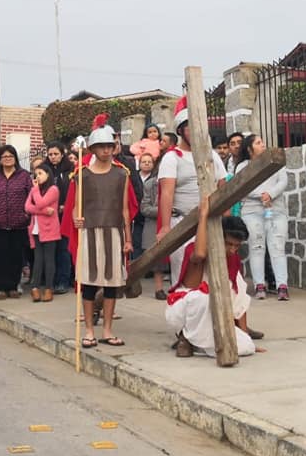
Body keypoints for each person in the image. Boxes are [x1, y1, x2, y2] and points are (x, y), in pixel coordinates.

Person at [167, 193, 259, 358]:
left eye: (237, 246)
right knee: (202, 298)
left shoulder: (233, 259)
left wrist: (245, 335)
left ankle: (198, 344)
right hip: (186, 310)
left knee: (247, 347)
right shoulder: (193, 250)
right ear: (217, 237)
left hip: (215, 320)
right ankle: (185, 338)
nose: (233, 250)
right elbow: (200, 255)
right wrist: (203, 217)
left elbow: (239, 298)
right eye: (229, 244)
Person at [71, 116, 132, 348]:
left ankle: (107, 329)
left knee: (111, 283)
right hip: (89, 232)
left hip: (114, 232)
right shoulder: (81, 174)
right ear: (93, 148)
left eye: (109, 146)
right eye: (101, 146)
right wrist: (76, 218)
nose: (106, 150)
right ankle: (89, 330)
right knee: (88, 282)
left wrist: (128, 238)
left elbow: (125, 209)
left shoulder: (122, 173)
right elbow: (76, 205)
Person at [157, 96, 228, 284]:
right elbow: (167, 193)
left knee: (213, 276)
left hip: (211, 221)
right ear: (181, 131)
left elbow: (223, 187)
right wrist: (165, 227)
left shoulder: (212, 155)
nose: (195, 132)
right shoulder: (172, 158)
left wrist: (227, 221)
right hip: (182, 222)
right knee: (183, 274)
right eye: (190, 128)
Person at [235, 134, 290, 300]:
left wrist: (271, 194)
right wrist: (262, 196)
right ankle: (259, 285)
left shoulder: (274, 161)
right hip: (252, 211)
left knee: (277, 247)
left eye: (262, 142)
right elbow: (242, 185)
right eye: (258, 143)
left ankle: (282, 286)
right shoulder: (242, 166)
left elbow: (283, 181)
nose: (263, 145)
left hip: (275, 209)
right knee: (257, 247)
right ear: (249, 149)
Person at [0, 144, 33, 300]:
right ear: (0, 160)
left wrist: (26, 214)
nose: (8, 159)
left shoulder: (24, 176)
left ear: (15, 158)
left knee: (16, 257)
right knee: (0, 257)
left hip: (19, 224)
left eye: (11, 156)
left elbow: (32, 196)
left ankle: (13, 286)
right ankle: (1, 288)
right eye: (4, 157)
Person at [24, 164, 61, 302]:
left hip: (49, 229)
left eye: (40, 173)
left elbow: (40, 203)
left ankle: (49, 288)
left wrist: (35, 192)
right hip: (36, 229)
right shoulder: (35, 190)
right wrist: (45, 211)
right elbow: (27, 207)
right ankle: (35, 287)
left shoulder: (53, 189)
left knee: (49, 259)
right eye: (36, 174)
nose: (37, 177)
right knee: (38, 259)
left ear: (48, 174)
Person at [45, 142, 74, 294]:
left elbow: (72, 191)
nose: (53, 157)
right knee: (51, 250)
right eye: (50, 154)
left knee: (64, 249)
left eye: (56, 154)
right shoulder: (45, 170)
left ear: (62, 154)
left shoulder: (70, 170)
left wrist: (65, 206)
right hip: (49, 216)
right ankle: (51, 280)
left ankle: (64, 280)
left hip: (64, 216)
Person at [138, 153, 168, 300]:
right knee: (157, 260)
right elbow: (144, 208)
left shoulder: (181, 184)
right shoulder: (150, 184)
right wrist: (164, 210)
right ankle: (159, 289)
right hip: (154, 224)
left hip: (178, 221)